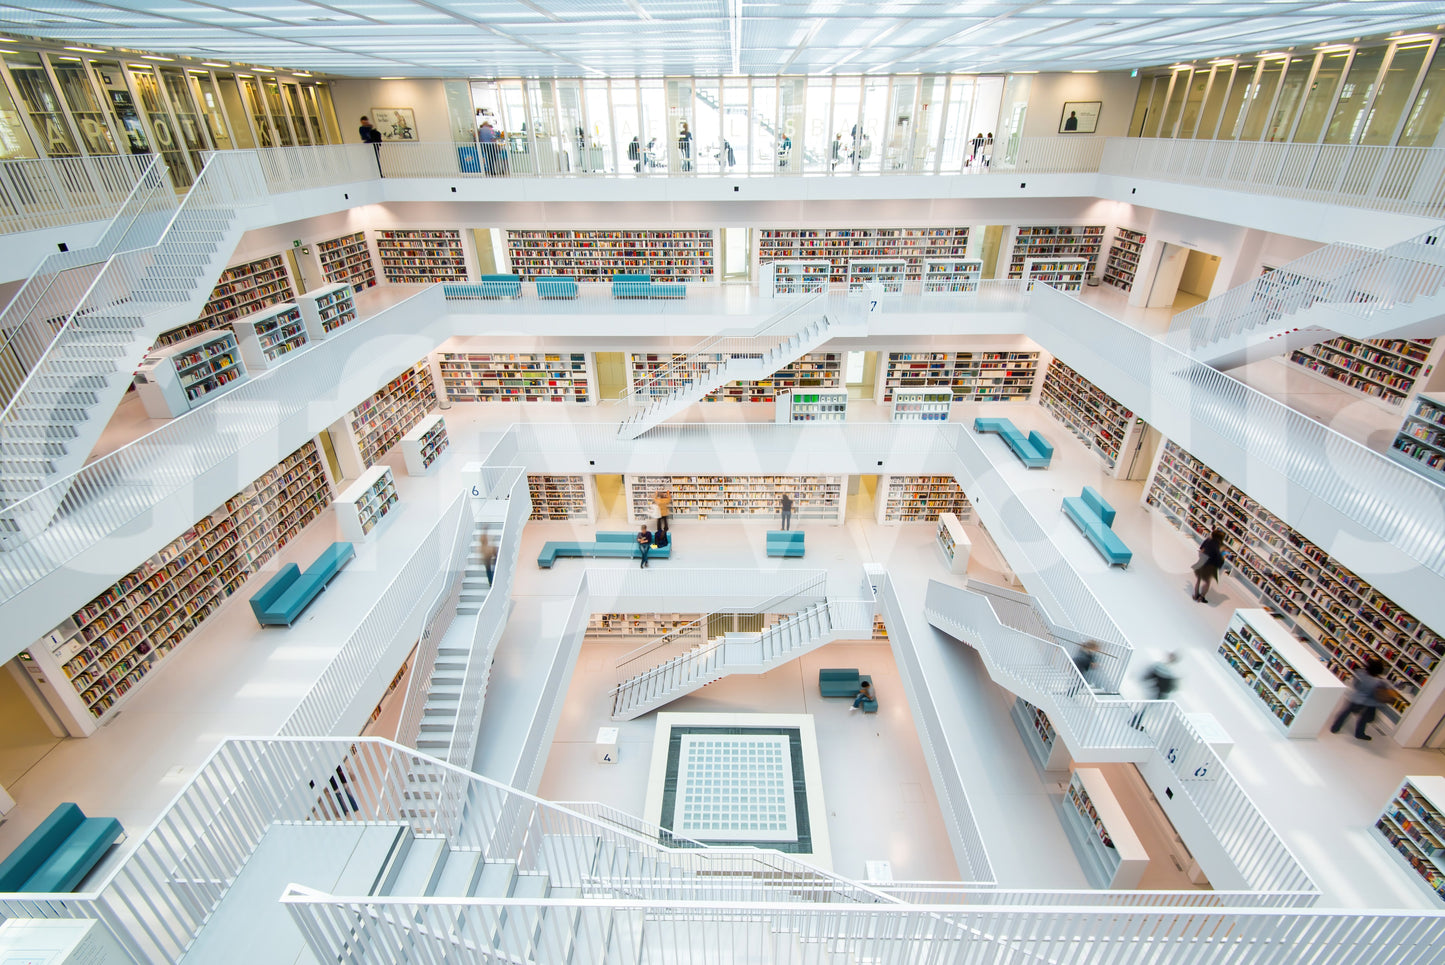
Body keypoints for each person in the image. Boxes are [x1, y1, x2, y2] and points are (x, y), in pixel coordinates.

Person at [1330, 658, 1393, 741]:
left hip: (1356, 697)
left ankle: (1335, 727)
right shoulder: (1380, 682)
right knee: (1365, 718)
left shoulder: (1360, 673)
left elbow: (1355, 684)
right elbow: (1379, 694)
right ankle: (1359, 733)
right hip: (1370, 703)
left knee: (1346, 712)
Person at [1130, 653, 1180, 729]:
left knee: (1145, 708)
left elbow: (1148, 676)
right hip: (1155, 693)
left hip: (1155, 692)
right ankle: (1134, 722)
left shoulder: (1162, 667)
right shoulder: (1162, 667)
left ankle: (1135, 721)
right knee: (1145, 708)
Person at [1192, 529, 1227, 603]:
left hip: (1202, 563)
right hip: (1210, 566)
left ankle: (1195, 595)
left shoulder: (1208, 540)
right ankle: (1201, 597)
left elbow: (1201, 550)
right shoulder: (1220, 547)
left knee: (1198, 580)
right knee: (1207, 582)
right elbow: (1220, 559)